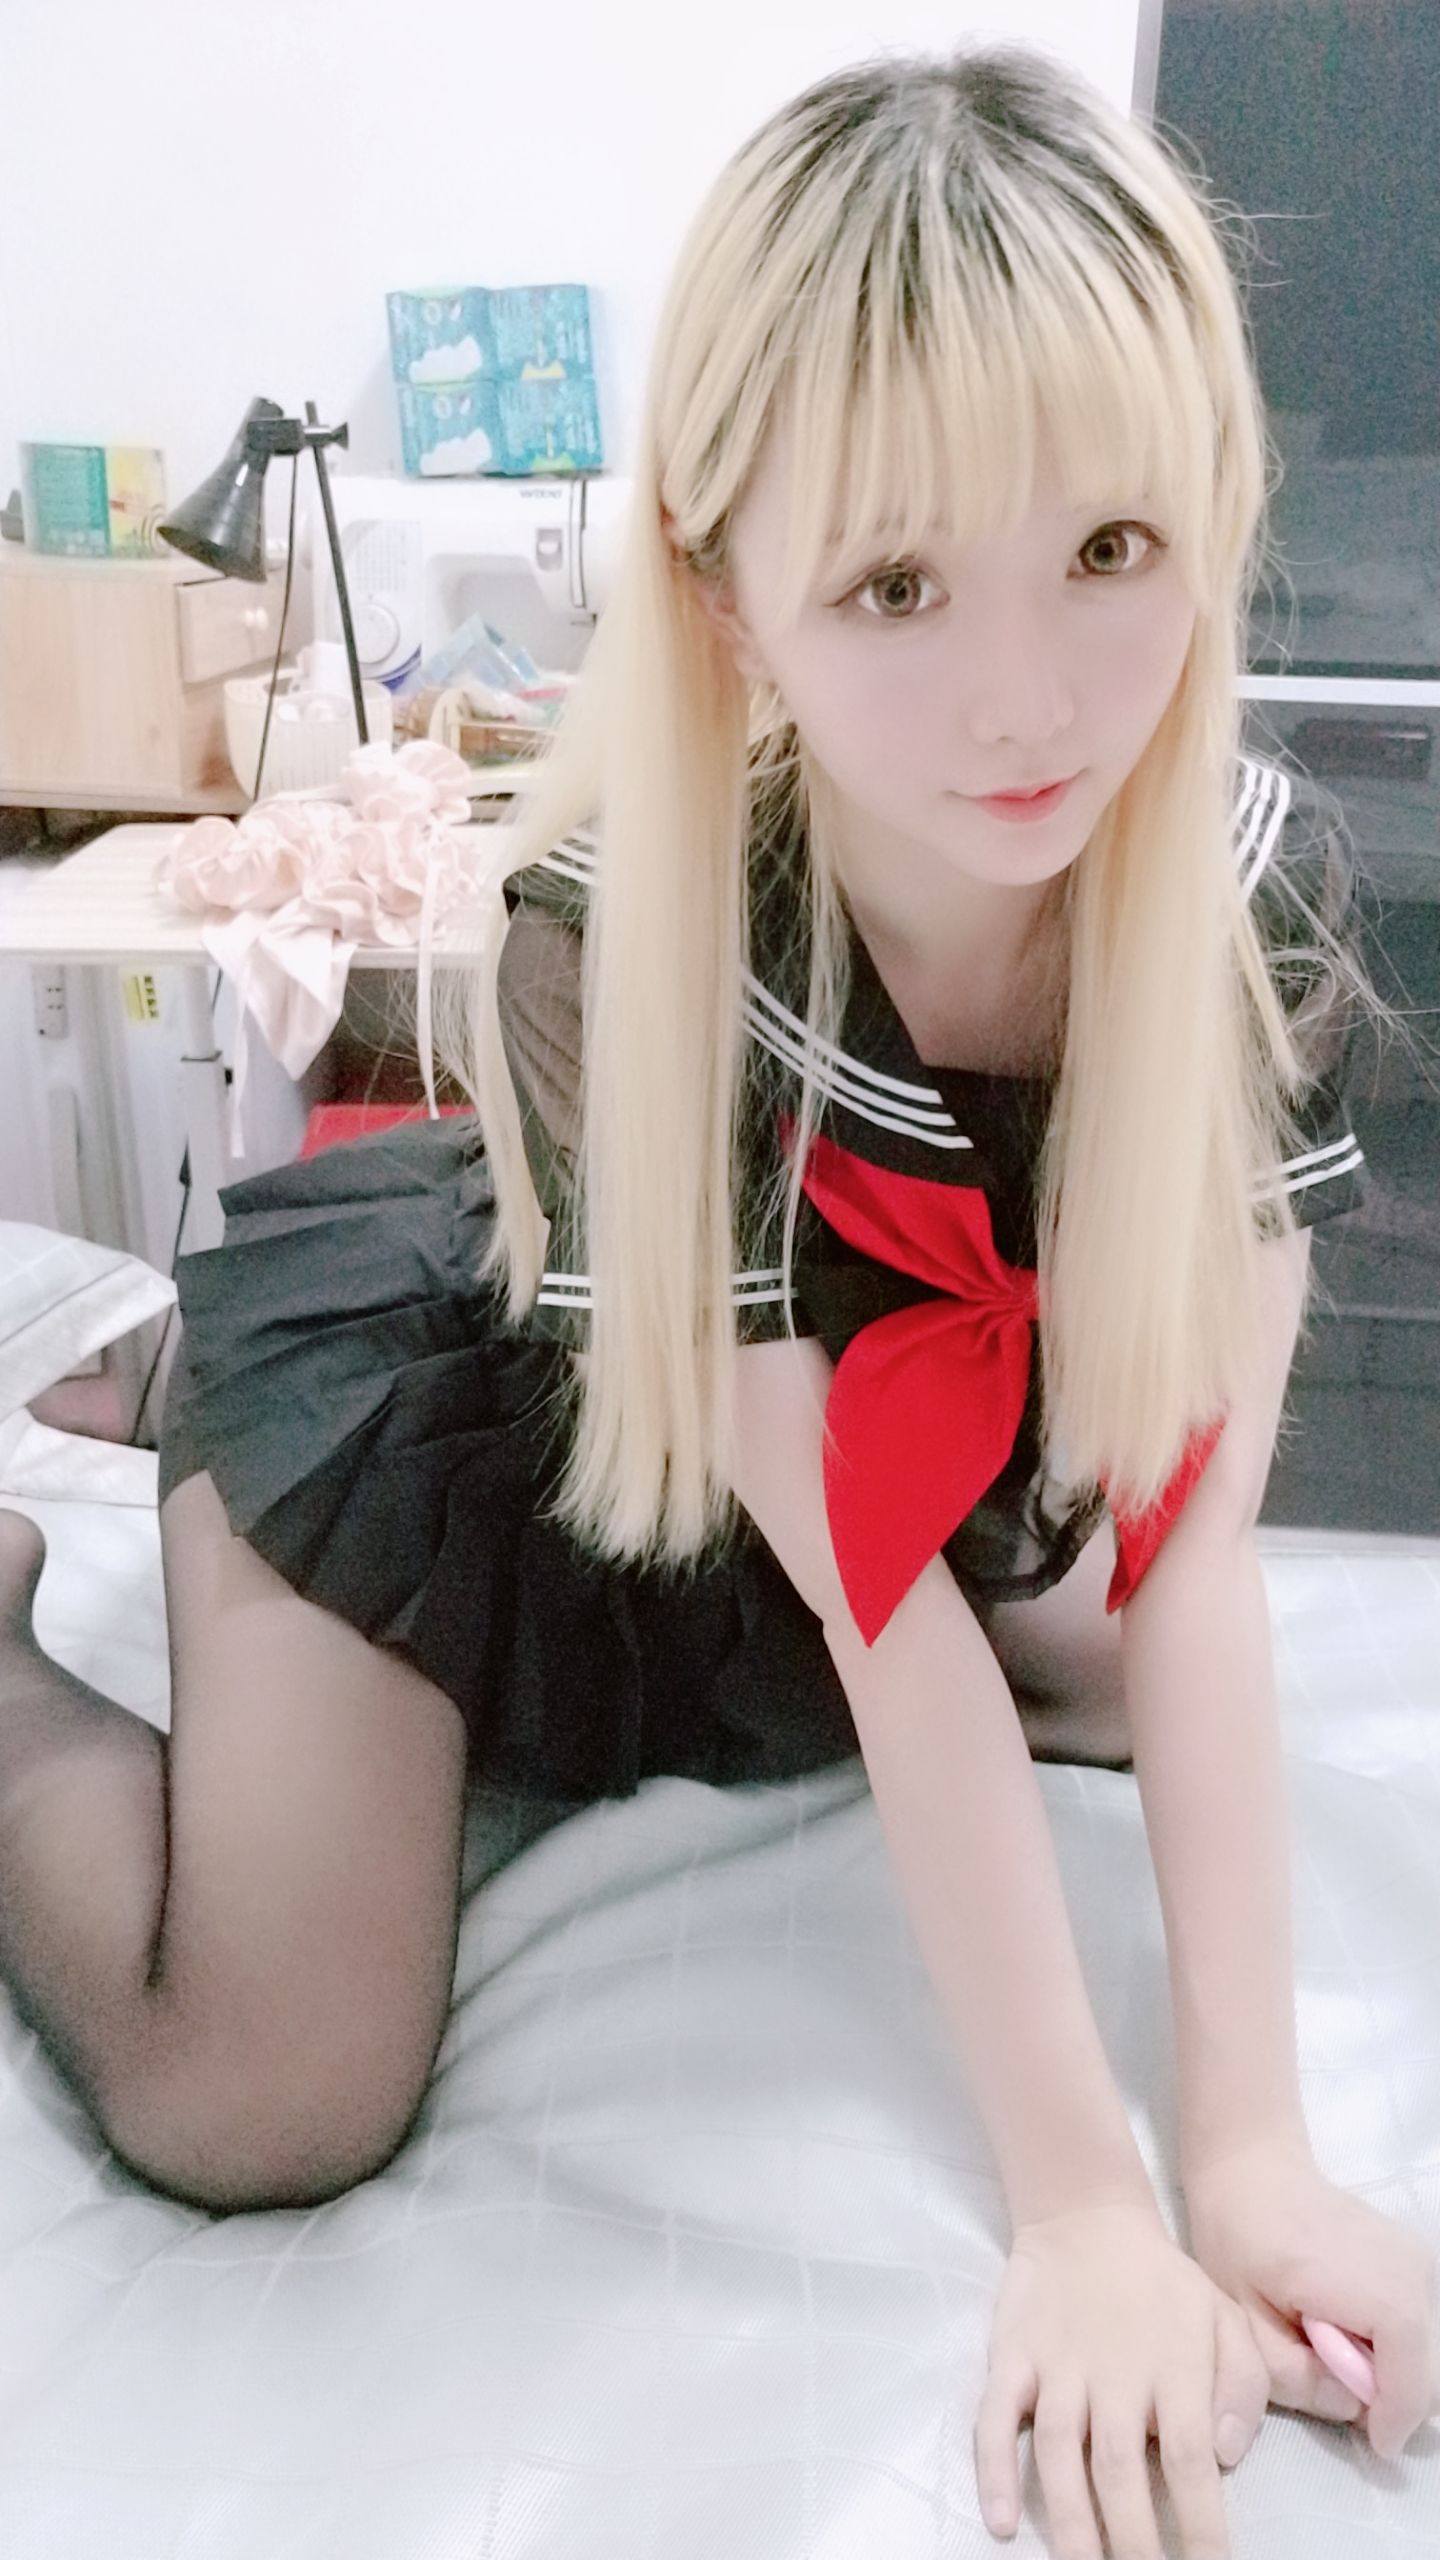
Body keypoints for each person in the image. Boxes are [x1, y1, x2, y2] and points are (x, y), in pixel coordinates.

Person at [0, 37, 1433, 2557]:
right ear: (721, 592)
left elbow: (1196, 1544)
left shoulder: (1245, 888)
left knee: (1106, 1653)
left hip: (824, 1488)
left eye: (1111, 544)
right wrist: (1080, 2204)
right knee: (262, 2093)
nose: (1028, 699)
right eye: (895, 585)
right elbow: (880, 1601)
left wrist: (1250, 2155)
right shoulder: (618, 937)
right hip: (507, 1406)